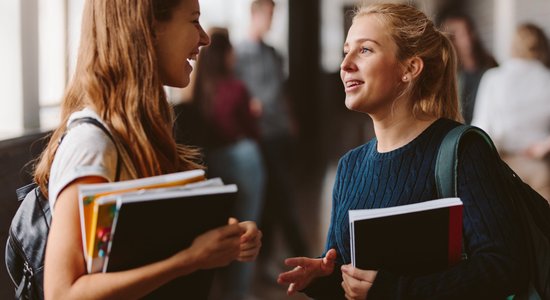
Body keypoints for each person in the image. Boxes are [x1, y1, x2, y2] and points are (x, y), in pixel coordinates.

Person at [278, 3, 528, 299]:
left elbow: (504, 267)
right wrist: (324, 277)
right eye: (347, 50)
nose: (345, 65)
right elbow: (350, 278)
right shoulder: (349, 167)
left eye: (365, 50)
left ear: (409, 68)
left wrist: (395, 291)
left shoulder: (463, 150)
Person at [35, 0, 262, 299]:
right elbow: (63, 293)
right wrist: (190, 259)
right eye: (193, 20)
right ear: (149, 29)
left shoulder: (137, 133)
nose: (204, 38)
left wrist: (219, 237)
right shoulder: (92, 145)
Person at [234, 0, 309, 274]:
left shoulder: (274, 53)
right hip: (258, 135)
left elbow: (282, 92)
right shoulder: (238, 54)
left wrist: (291, 121)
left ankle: (273, 260)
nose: (271, 21)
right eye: (268, 15)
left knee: (276, 196)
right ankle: (300, 252)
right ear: (256, 15)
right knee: (278, 196)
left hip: (280, 132)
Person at [193, 28, 265, 300]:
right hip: (243, 156)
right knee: (248, 226)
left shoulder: (199, 89)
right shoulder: (236, 87)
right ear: (226, 54)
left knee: (220, 228)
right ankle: (239, 293)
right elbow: (253, 130)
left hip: (212, 161)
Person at [472, 23, 550, 202]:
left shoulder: (494, 78)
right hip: (539, 167)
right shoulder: (547, 79)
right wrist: (543, 146)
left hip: (502, 165)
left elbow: (482, 126)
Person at [441, 12, 498, 124]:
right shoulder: (448, 72)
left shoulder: (490, 64)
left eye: (469, 31)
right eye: (461, 35)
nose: (468, 38)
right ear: (452, 40)